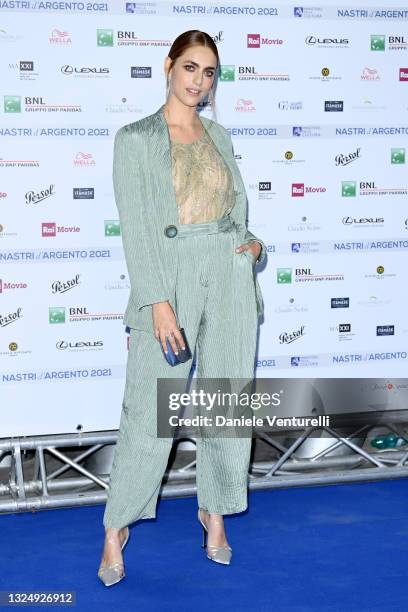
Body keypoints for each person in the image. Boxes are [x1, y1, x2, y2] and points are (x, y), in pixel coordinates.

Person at [97, 29, 267, 587]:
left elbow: (232, 207)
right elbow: (138, 230)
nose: (199, 81)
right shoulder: (136, 138)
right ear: (168, 66)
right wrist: (157, 303)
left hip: (229, 273)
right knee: (150, 409)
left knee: (224, 402)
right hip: (169, 279)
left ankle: (213, 513)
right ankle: (116, 525)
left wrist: (252, 245)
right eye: (191, 68)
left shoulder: (217, 134)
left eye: (209, 72)